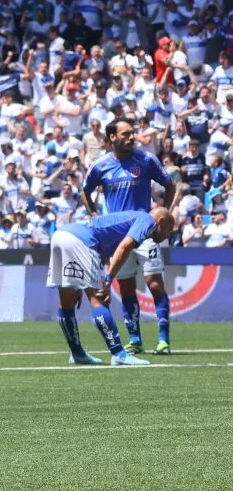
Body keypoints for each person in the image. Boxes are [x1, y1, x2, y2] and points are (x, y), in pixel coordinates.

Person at [82, 118, 176, 355]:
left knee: (155, 284)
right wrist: (93, 214)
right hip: (118, 236)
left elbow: (170, 185)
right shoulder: (100, 165)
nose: (132, 137)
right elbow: (85, 191)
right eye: (126, 134)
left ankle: (163, 339)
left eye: (132, 133)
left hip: (145, 231)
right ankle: (135, 339)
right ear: (112, 137)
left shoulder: (146, 160)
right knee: (126, 288)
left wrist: (164, 214)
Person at [47, 207, 174, 367]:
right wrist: (108, 280)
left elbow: (105, 252)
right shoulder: (147, 220)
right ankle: (119, 354)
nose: (168, 235)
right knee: (98, 299)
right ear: (161, 221)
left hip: (61, 235)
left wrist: (78, 285)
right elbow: (124, 247)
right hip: (82, 240)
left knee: (66, 302)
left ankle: (77, 353)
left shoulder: (128, 222)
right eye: (169, 230)